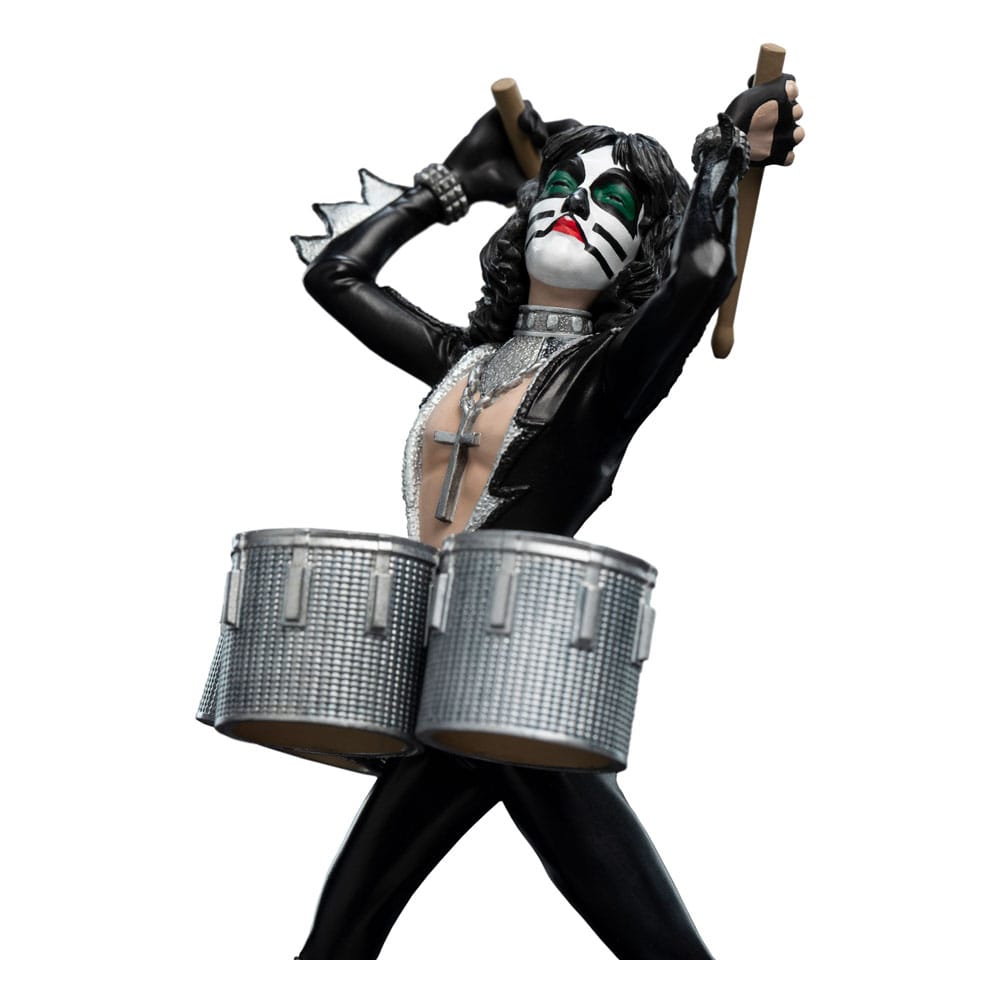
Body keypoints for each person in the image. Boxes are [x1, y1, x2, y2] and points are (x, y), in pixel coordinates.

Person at [295, 78, 803, 959]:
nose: (577, 206)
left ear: (638, 246)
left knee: (343, 942)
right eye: (563, 185)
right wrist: (452, 186)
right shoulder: (466, 361)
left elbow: (700, 272)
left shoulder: (608, 382)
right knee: (348, 941)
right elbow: (333, 274)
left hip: (511, 678)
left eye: (614, 200)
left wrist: (727, 149)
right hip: (442, 681)